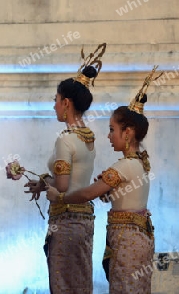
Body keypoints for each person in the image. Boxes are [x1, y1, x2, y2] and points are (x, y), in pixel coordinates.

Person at [46, 68, 161, 294]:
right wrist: (108, 193)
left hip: (127, 240)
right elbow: (120, 198)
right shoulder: (138, 163)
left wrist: (59, 196)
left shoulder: (124, 165)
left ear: (127, 133)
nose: (108, 136)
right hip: (133, 237)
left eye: (112, 130)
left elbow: (88, 193)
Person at [24, 43, 106, 293]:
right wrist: (42, 181)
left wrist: (46, 183)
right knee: (80, 281)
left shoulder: (65, 139)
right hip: (85, 219)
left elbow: (62, 185)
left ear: (66, 103)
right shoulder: (88, 136)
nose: (54, 106)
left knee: (63, 285)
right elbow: (73, 178)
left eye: (56, 100)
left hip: (66, 218)